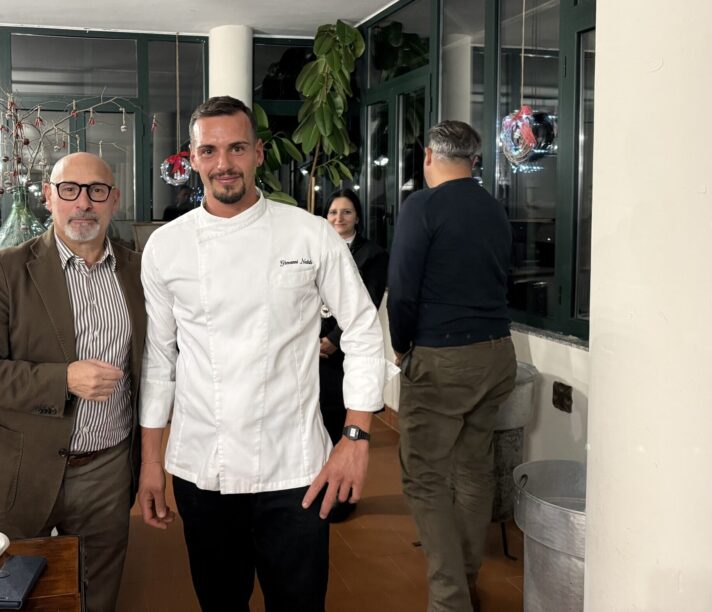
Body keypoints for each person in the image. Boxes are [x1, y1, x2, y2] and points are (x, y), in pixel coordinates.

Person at [137, 96, 389, 611]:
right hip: (202, 466)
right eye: (209, 150)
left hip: (294, 466)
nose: (223, 163)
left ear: (257, 153)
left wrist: (356, 436)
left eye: (236, 148)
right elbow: (160, 360)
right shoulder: (166, 247)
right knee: (220, 602)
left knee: (298, 604)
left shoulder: (310, 233)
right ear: (193, 157)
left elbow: (363, 330)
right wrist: (150, 464)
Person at [0, 152, 146, 612]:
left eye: (97, 191)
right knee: (12, 594)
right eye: (70, 190)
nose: (83, 203)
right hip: (20, 468)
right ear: (49, 198)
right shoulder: (4, 272)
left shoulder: (139, 271)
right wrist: (62, 379)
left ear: (113, 199)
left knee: (99, 590)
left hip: (108, 468)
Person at [386, 120, 517, 612]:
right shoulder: (494, 209)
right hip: (497, 352)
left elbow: (403, 288)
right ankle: (466, 577)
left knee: (424, 476)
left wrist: (402, 347)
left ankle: (449, 600)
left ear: (427, 157)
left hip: (445, 357)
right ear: (475, 159)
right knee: (474, 468)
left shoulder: (422, 206)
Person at [317, 188, 389, 523]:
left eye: (346, 212)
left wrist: (332, 340)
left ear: (357, 217)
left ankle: (342, 499)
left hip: (345, 355)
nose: (339, 218)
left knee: (340, 426)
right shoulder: (317, 247)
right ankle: (319, 487)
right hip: (313, 352)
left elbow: (368, 305)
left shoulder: (372, 254)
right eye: (333, 212)